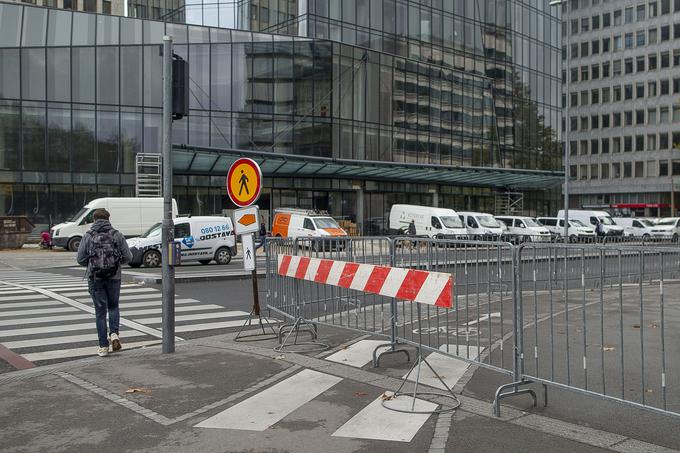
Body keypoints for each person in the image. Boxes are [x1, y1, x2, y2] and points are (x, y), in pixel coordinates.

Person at [76, 208, 132, 357]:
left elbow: (80, 259)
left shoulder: (88, 236)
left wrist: (92, 263)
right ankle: (114, 334)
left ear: (94, 219)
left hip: (95, 279)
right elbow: (128, 257)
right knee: (113, 307)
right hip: (114, 277)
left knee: (100, 312)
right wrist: (116, 262)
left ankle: (103, 347)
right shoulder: (117, 235)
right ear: (108, 219)